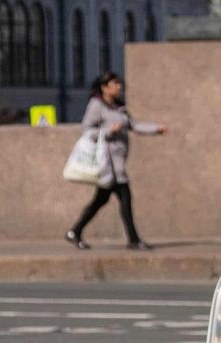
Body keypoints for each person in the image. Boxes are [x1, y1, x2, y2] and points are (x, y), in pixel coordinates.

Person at [66, 72, 166, 250]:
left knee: (100, 201)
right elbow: (87, 129)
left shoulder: (119, 108)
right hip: (108, 164)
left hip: (117, 162)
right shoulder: (97, 105)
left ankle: (75, 231)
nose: (119, 87)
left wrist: (156, 129)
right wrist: (109, 131)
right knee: (124, 198)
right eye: (114, 84)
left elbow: (134, 125)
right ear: (104, 88)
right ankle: (133, 240)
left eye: (119, 84)